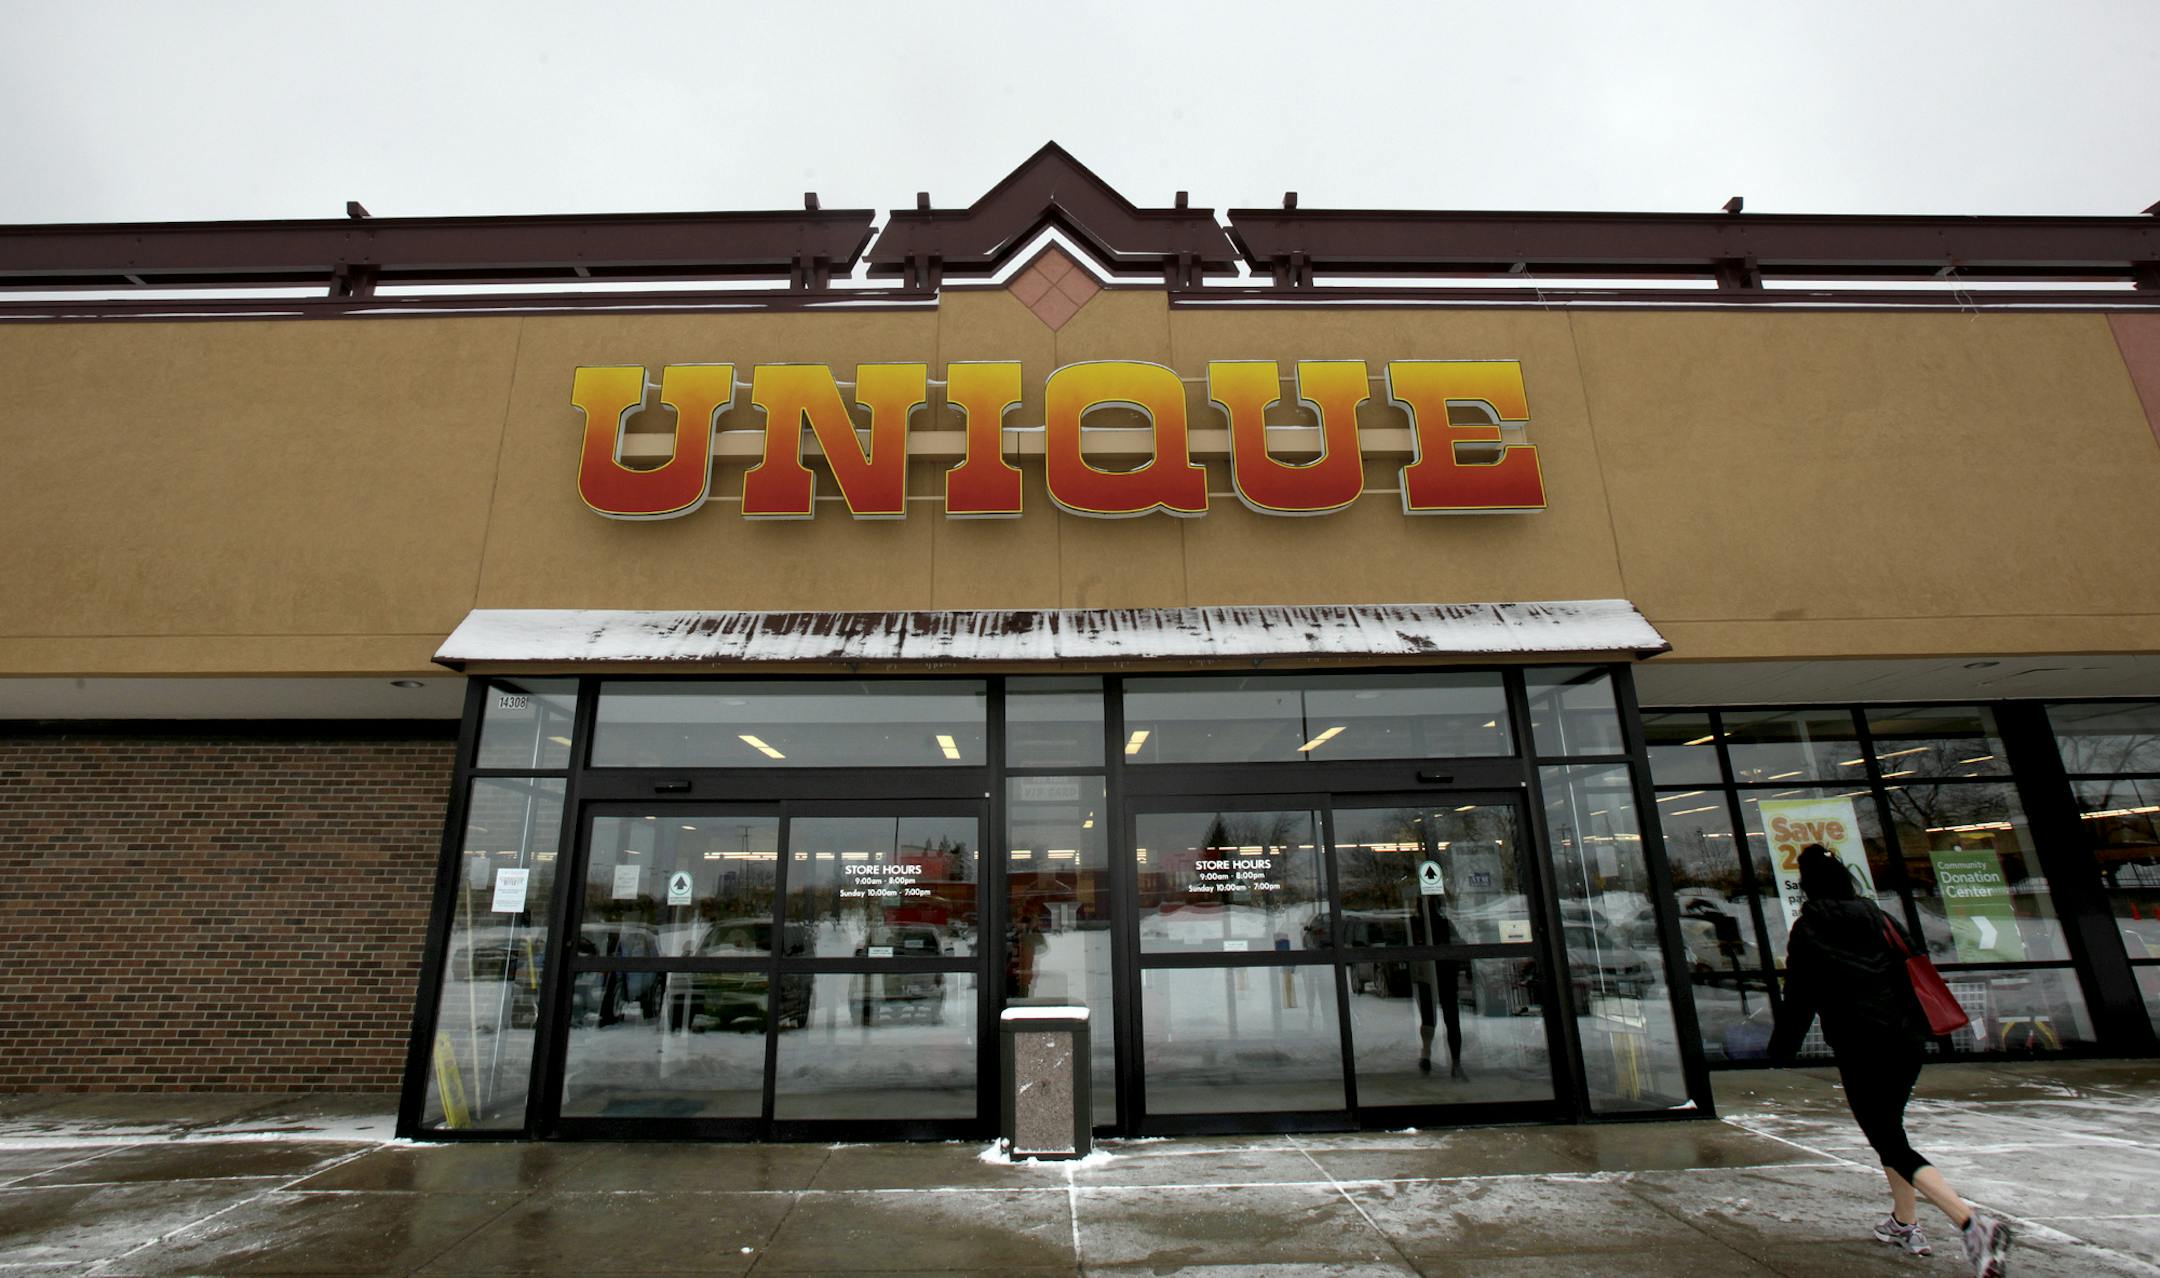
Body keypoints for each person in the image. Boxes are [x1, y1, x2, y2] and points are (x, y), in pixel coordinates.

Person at [1769, 844, 2014, 1277]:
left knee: (1886, 1138)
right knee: (1890, 1130)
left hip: (1860, 1044)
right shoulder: (1880, 919)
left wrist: (1779, 1051)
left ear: (1806, 886)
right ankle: (1905, 1221)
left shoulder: (1809, 931)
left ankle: (1972, 1223)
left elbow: (1799, 999)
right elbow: (1914, 964)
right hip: (1905, 1041)